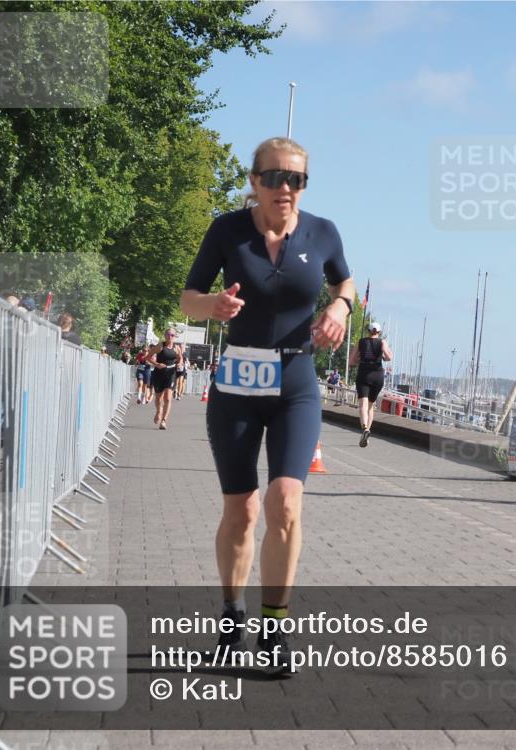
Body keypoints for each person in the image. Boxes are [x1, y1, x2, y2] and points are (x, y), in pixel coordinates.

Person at [180, 136, 354, 672]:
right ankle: (232, 619)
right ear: (254, 182)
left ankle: (274, 628)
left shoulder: (323, 232)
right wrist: (213, 305)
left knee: (284, 502)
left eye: (296, 179)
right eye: (275, 178)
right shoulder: (226, 230)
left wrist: (342, 307)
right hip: (236, 383)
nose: (286, 189)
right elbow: (187, 297)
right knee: (242, 509)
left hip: (296, 382)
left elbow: (343, 279)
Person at [349, 321, 392, 447]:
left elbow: (351, 361)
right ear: (379, 332)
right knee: (370, 406)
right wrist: (383, 357)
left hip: (363, 373)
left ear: (368, 330)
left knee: (363, 404)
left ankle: (364, 429)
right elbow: (389, 357)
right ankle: (367, 435)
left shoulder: (361, 342)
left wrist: (361, 359)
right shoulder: (382, 342)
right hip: (377, 375)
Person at [149, 328, 180, 429]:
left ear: (175, 336)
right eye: (167, 334)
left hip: (171, 374)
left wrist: (179, 364)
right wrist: (157, 364)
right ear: (165, 335)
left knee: (168, 397)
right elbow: (147, 357)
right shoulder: (160, 346)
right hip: (159, 374)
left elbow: (180, 358)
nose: (169, 337)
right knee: (158, 398)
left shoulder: (176, 348)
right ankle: (159, 411)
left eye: (172, 335)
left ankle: (164, 420)